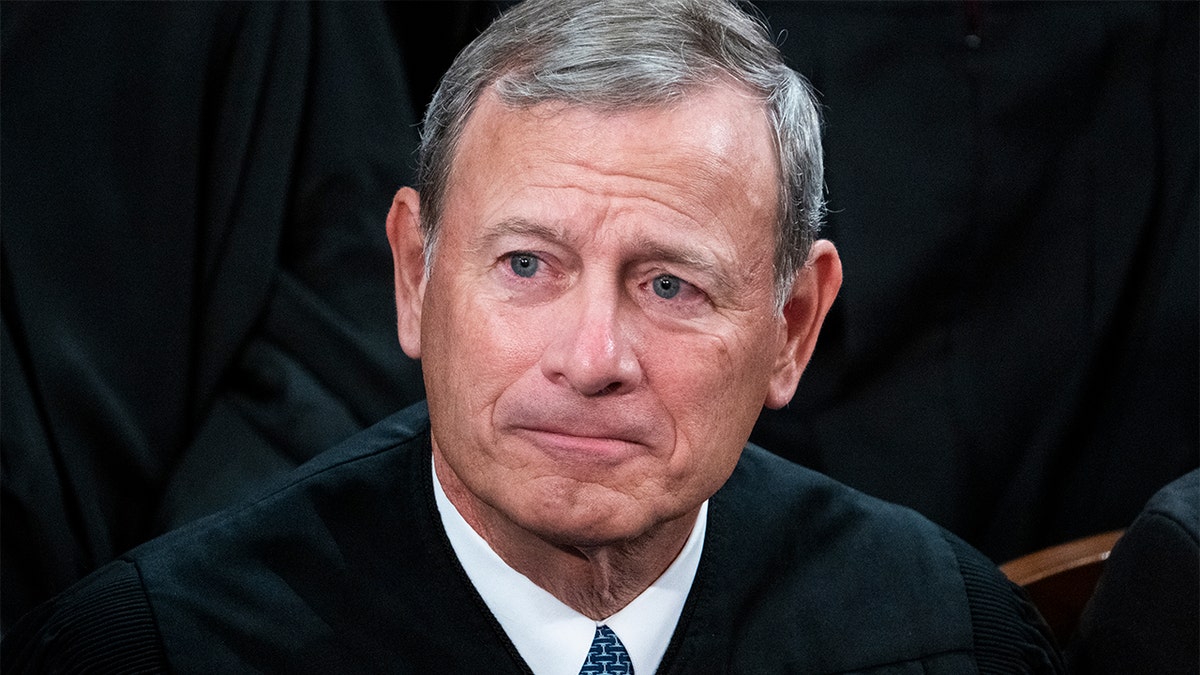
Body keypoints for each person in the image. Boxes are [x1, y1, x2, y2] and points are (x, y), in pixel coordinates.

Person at [1, 0, 1063, 671]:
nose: (592, 359)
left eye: (669, 285)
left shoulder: (949, 634)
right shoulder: (151, 649)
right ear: (415, 275)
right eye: (526, 266)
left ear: (792, 326)